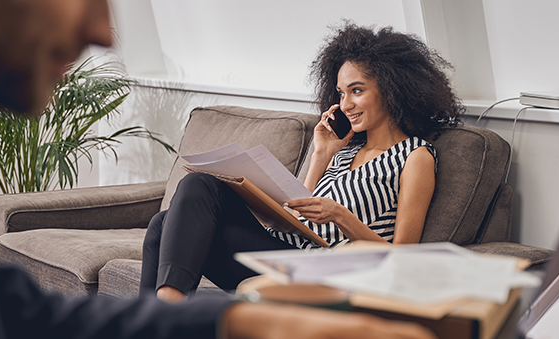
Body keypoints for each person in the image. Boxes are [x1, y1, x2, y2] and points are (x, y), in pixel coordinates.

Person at [0, 1, 436, 338]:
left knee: (181, 209)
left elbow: (3, 314)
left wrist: (242, 320)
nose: (104, 30)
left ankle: (169, 297)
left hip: (340, 257)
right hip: (292, 246)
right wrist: (324, 155)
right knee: (177, 208)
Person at [141, 23, 464, 303]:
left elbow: (404, 255)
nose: (345, 104)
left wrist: (340, 216)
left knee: (199, 185)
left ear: (393, 90)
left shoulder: (415, 156)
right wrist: (321, 152)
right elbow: (295, 216)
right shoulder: (345, 151)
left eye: (357, 91)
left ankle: (166, 310)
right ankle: (151, 320)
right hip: (285, 248)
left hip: (321, 266)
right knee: (163, 221)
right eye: (340, 93)